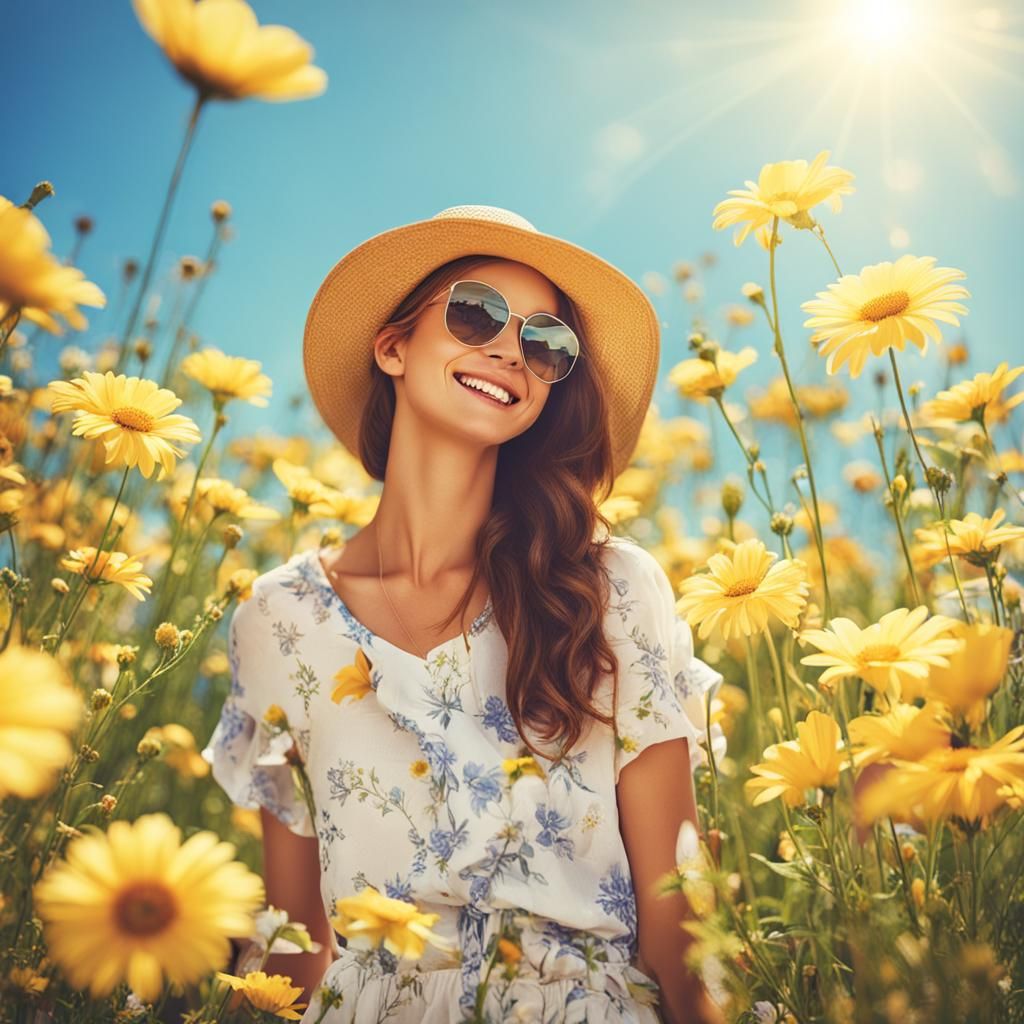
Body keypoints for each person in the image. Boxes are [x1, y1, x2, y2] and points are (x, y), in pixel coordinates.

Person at [203, 205, 727, 1024]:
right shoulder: (278, 620)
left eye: (547, 343)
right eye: (475, 311)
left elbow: (675, 917)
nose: (511, 349)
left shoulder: (610, 589)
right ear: (392, 346)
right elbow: (299, 942)